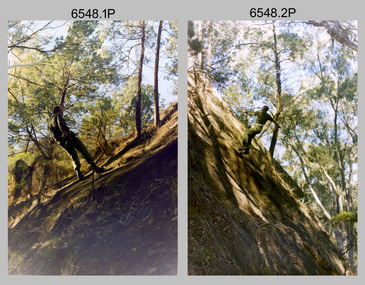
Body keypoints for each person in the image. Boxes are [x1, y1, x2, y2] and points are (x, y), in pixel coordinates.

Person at [49, 106, 104, 180]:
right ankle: (95, 168)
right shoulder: (58, 115)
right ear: (59, 110)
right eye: (62, 110)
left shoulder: (49, 122)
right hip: (69, 137)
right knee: (83, 149)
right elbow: (61, 123)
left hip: (62, 142)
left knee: (73, 156)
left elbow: (52, 136)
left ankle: (79, 174)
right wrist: (67, 132)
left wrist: (60, 141)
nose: (62, 111)